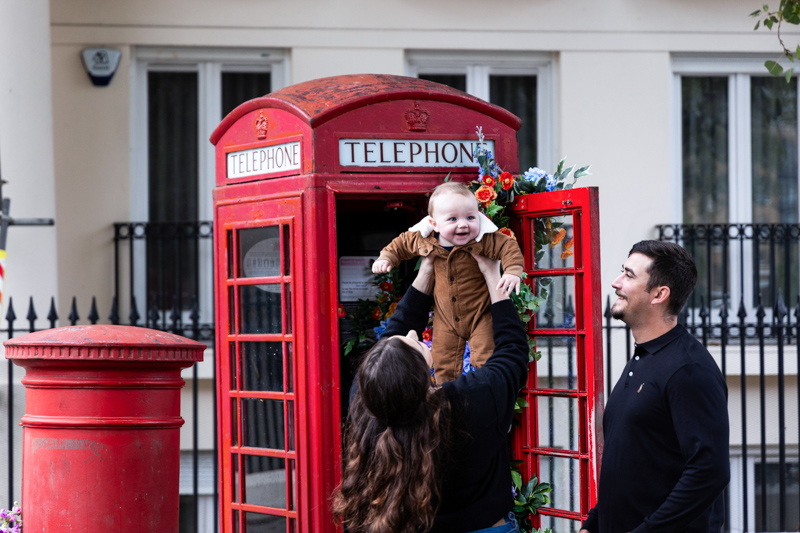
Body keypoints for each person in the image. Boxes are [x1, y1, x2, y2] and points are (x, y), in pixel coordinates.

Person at [333, 253, 529, 533]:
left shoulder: (367, 403)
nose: (413, 334)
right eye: (412, 344)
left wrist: (427, 269)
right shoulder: (470, 400)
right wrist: (492, 274)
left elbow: (391, 348)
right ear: (419, 376)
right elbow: (512, 354)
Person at [581, 240, 730, 533]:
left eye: (629, 275)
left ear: (659, 294)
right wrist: (594, 523)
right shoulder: (644, 357)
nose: (616, 282)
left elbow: (708, 472)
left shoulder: (688, 369)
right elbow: (631, 462)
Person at [372, 181, 524, 383]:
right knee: (443, 360)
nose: (463, 224)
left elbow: (509, 248)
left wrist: (513, 271)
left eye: (470, 217)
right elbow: (399, 245)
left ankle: (483, 393)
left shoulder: (484, 239)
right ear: (434, 224)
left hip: (480, 314)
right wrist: (386, 258)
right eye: (452, 219)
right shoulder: (424, 239)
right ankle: (446, 398)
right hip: (445, 317)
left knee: (487, 358)